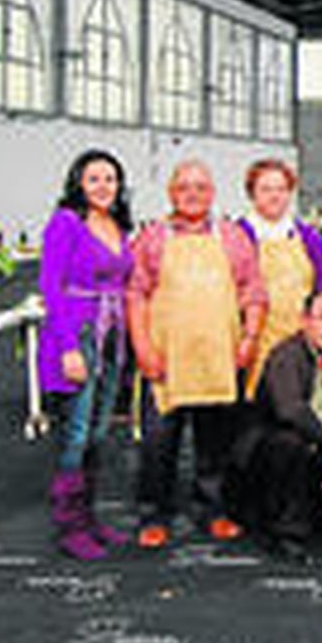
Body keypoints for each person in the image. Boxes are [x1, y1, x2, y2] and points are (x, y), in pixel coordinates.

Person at [127, 160, 267, 549]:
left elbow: (254, 292)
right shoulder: (152, 238)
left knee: (216, 444)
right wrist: (143, 348)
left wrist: (249, 339)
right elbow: (135, 295)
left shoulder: (233, 237)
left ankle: (213, 510)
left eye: (200, 187)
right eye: (184, 187)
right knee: (158, 444)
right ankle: (154, 515)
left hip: (219, 358)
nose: (192, 194)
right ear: (171, 193)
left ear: (213, 193)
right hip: (165, 359)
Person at [39, 150, 136, 560]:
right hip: (79, 333)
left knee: (98, 432)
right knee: (76, 433)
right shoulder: (66, 223)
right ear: (78, 182)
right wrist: (68, 349)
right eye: (93, 178)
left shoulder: (118, 225)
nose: (102, 186)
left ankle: (90, 518)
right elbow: (51, 286)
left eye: (110, 179)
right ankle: (70, 526)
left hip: (112, 335)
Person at [235, 290, 322, 562]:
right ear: (305, 321)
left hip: (321, 445)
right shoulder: (285, 356)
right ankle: (286, 533)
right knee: (290, 445)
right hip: (269, 453)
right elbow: (291, 412)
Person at [238, 159, 322, 399]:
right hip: (257, 339)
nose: (274, 196)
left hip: (302, 338)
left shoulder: (307, 235)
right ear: (252, 194)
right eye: (266, 189)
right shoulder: (239, 234)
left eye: (281, 189)